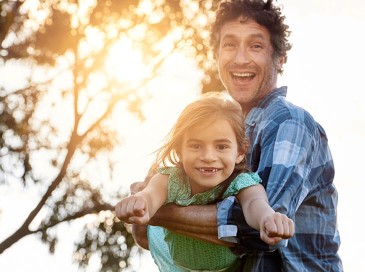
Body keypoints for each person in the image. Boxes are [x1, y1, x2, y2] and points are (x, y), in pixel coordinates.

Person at [116, 0, 343, 271]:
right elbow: (143, 234)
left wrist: (159, 209)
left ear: (279, 58)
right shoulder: (215, 130)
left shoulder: (289, 123)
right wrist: (148, 203)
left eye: (255, 45)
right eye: (230, 44)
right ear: (217, 56)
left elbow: (258, 229)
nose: (240, 58)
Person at [117, 92, 294, 271]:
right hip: (175, 264)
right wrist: (140, 202)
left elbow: (254, 203)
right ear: (180, 151)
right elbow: (150, 194)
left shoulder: (241, 182)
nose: (208, 157)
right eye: (195, 146)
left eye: (221, 147)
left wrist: (267, 218)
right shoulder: (172, 179)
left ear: (240, 152)